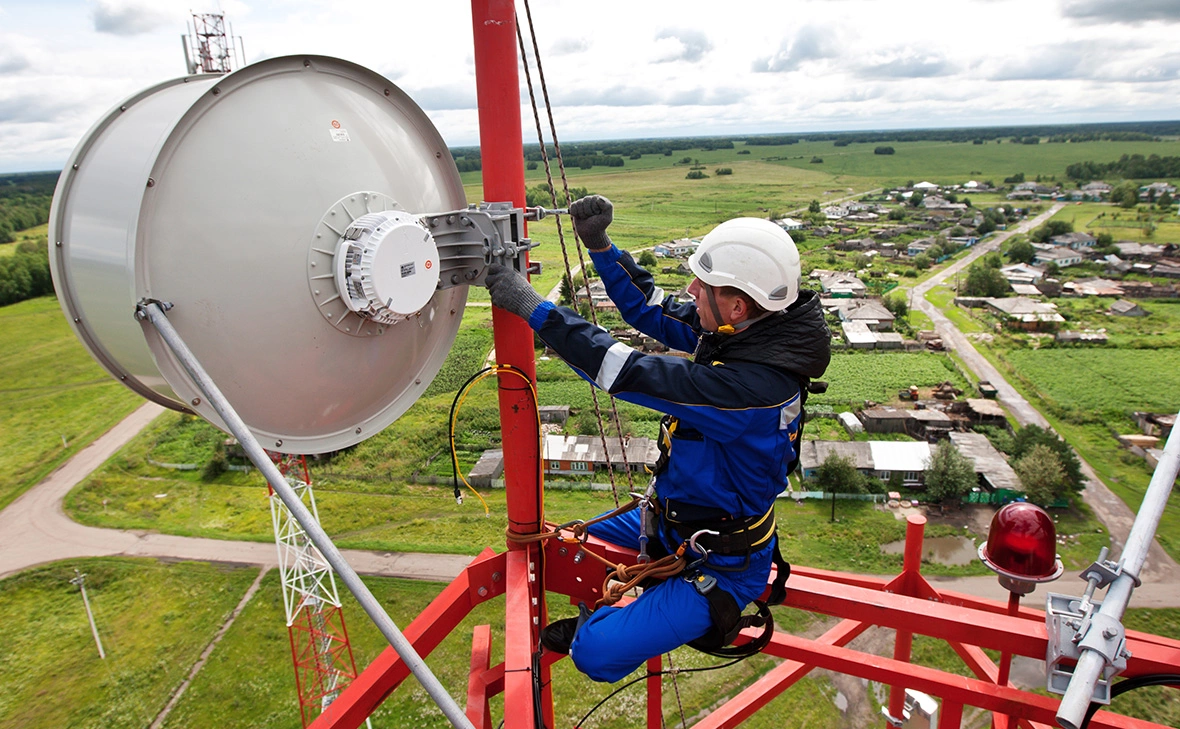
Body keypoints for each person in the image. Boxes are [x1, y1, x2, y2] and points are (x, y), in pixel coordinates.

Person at [484, 195, 830, 683]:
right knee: (560, 546)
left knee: (597, 655)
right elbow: (651, 310)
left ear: (737, 304)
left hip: (723, 559)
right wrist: (601, 247)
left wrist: (532, 308)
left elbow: (625, 370)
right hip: (671, 520)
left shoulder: (753, 390)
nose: (691, 290)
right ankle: (623, 613)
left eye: (703, 286)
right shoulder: (747, 334)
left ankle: (602, 627)